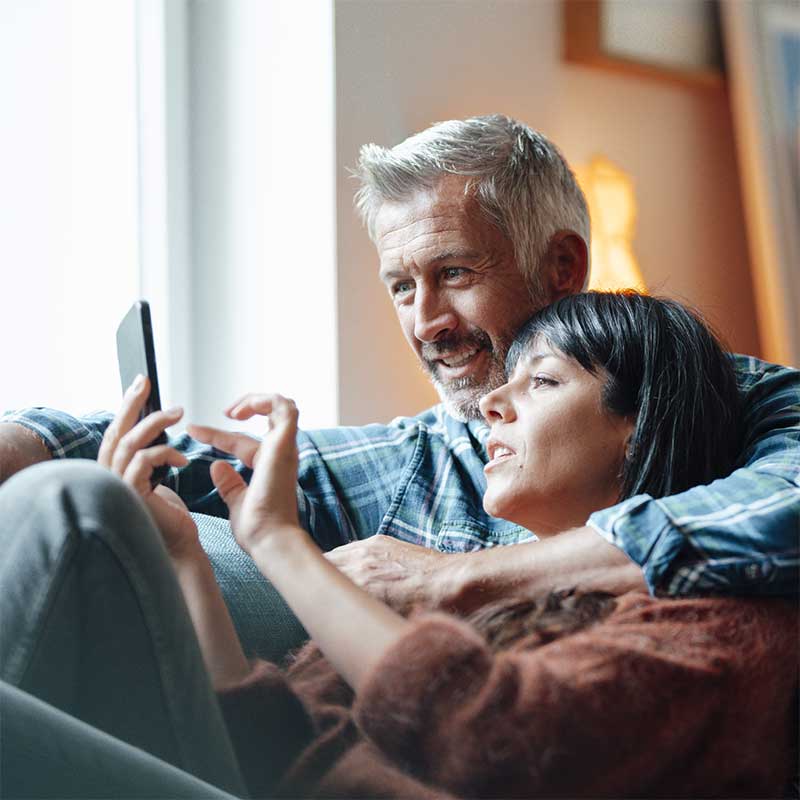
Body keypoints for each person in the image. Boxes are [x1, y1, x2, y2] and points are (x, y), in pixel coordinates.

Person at [0, 116, 798, 658]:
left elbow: (776, 505)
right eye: (400, 287)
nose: (426, 322)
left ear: (561, 267)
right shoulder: (426, 456)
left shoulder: (745, 405)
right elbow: (213, 461)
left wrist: (448, 578)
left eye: (453, 273)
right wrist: (36, 448)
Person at [1, 292, 796, 799]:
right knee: (89, 502)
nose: (491, 405)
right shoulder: (479, 599)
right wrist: (182, 555)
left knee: (71, 503)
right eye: (399, 286)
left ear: (640, 426)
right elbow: (268, 752)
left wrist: (281, 544)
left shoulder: (718, 627)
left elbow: (494, 735)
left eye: (543, 383)